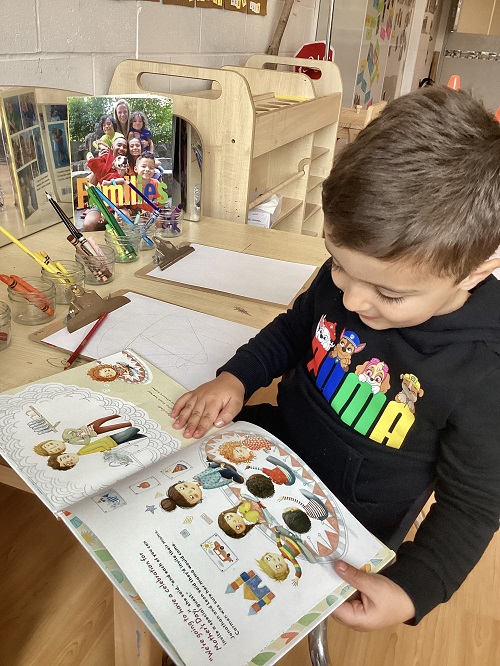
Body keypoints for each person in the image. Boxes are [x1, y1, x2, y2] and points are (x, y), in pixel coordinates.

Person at [170, 86, 500, 630]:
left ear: (474, 272)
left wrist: (413, 589)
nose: (350, 299)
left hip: (348, 523)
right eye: (336, 265)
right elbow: (297, 328)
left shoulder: (484, 371)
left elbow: (472, 505)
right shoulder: (361, 276)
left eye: (388, 296)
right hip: (271, 448)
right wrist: (237, 376)